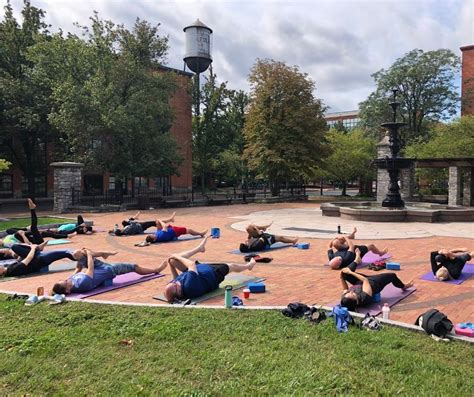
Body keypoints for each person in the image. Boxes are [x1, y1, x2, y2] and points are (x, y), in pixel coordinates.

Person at [162, 237, 257, 302]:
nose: (174, 282)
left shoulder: (177, 288)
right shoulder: (189, 287)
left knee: (172, 261)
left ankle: (199, 248)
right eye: (174, 284)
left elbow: (176, 278)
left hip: (198, 271)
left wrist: (171, 265)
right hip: (212, 274)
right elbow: (191, 265)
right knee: (231, 266)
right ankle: (249, 266)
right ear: (178, 292)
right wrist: (176, 255)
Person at [51, 248, 164, 294]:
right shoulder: (82, 284)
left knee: (79, 253)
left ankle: (105, 254)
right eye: (65, 282)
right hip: (108, 270)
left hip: (99, 268)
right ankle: (156, 270)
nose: (66, 279)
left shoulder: (71, 282)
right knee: (134, 266)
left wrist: (84, 255)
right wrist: (89, 255)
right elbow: (90, 268)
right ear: (68, 290)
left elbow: (76, 270)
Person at [339, 249, 414, 311]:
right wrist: (351, 272)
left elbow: (345, 289)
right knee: (392, 275)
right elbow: (365, 280)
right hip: (373, 282)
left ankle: (357, 260)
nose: (351, 291)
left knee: (344, 273)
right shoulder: (364, 298)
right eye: (352, 294)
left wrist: (342, 278)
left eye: (349, 293)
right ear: (355, 301)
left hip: (359, 282)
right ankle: (403, 286)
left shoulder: (346, 299)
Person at [0, 243, 79, 278]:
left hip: (35, 257)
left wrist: (14, 254)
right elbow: (29, 258)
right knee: (65, 252)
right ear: (1, 273)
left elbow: (21, 260)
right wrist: (33, 248)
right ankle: (81, 257)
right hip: (39, 260)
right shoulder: (13, 270)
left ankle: (38, 248)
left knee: (14, 247)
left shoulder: (8, 268)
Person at [110, 211, 176, 236]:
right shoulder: (127, 230)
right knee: (155, 222)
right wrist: (129, 221)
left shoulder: (123, 231)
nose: (120, 228)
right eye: (119, 228)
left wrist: (112, 231)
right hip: (140, 227)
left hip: (137, 226)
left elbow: (116, 230)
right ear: (120, 230)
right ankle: (170, 219)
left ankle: (135, 217)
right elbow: (133, 224)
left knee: (123, 222)